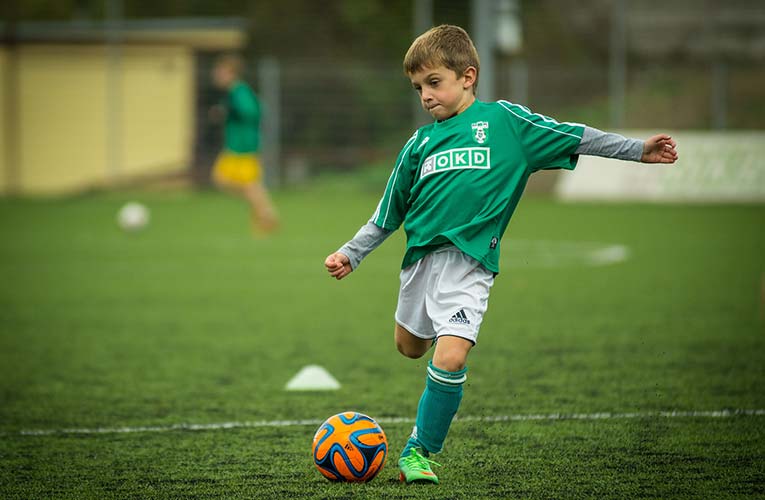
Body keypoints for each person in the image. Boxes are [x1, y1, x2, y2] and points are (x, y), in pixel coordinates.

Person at [324, 25, 677, 485]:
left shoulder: (507, 124)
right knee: (409, 347)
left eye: (434, 82)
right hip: (420, 265)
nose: (426, 96)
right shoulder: (418, 145)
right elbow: (387, 213)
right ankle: (439, 343)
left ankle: (419, 451)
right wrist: (352, 254)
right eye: (418, 88)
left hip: (471, 266)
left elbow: (575, 136)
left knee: (450, 358)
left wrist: (636, 150)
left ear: (467, 76)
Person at [211, 54, 278, 234]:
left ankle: (266, 215)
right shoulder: (235, 92)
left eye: (220, 72)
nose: (216, 75)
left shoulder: (239, 91)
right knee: (226, 181)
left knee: (245, 184)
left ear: (231, 73)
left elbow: (252, 111)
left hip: (243, 146)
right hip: (236, 145)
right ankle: (265, 212)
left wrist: (229, 111)